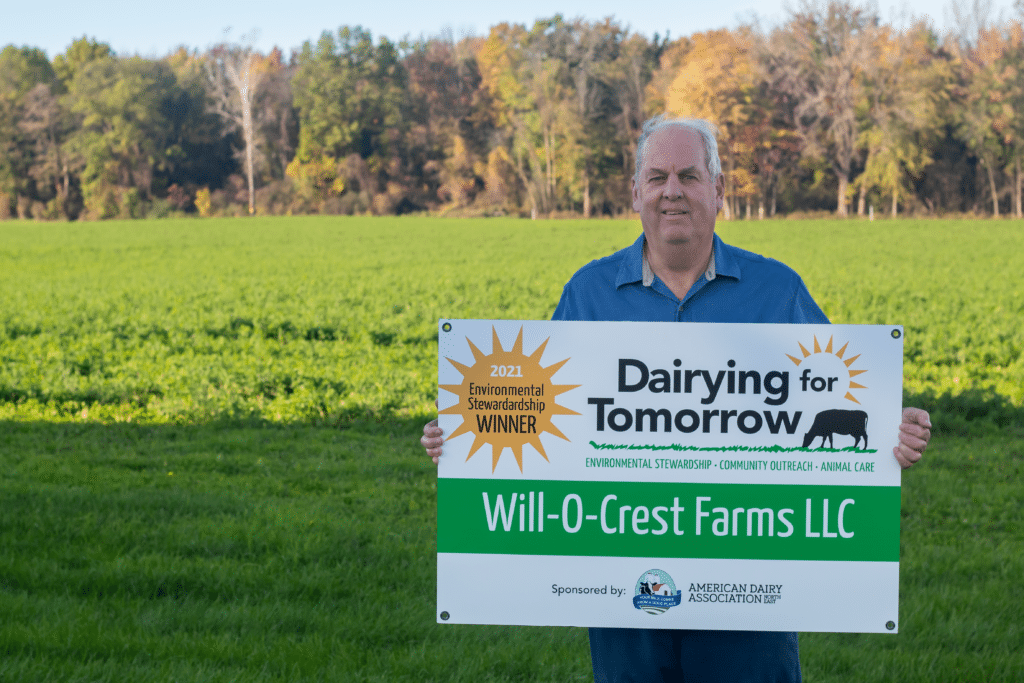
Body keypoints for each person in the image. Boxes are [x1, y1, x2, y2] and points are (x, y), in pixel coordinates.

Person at [421, 115, 932, 683]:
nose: (673, 191)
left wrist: (893, 426)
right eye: (658, 176)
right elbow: (538, 417)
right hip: (622, 591)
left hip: (749, 590)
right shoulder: (588, 294)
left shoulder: (778, 290)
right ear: (635, 191)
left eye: (689, 176)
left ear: (719, 190)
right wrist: (467, 434)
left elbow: (840, 396)